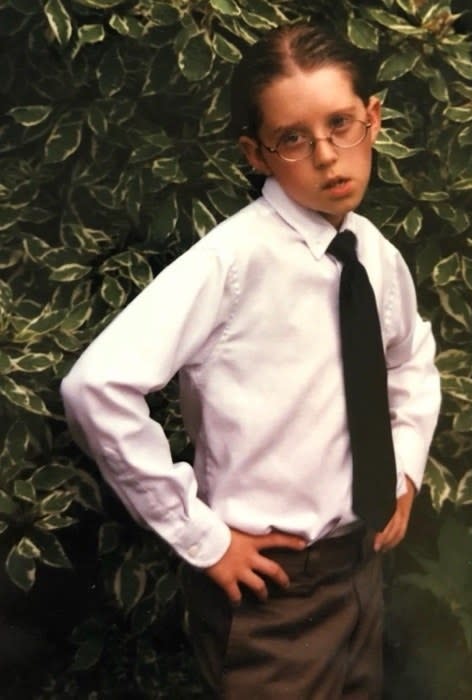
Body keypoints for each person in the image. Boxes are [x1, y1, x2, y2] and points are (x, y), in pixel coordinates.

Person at [61, 22, 441, 699]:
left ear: (372, 118)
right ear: (256, 153)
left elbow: (410, 358)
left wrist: (405, 467)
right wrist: (201, 537)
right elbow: (97, 385)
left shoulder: (371, 252)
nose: (326, 157)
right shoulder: (230, 262)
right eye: (293, 138)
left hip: (357, 571)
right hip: (272, 597)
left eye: (340, 124)